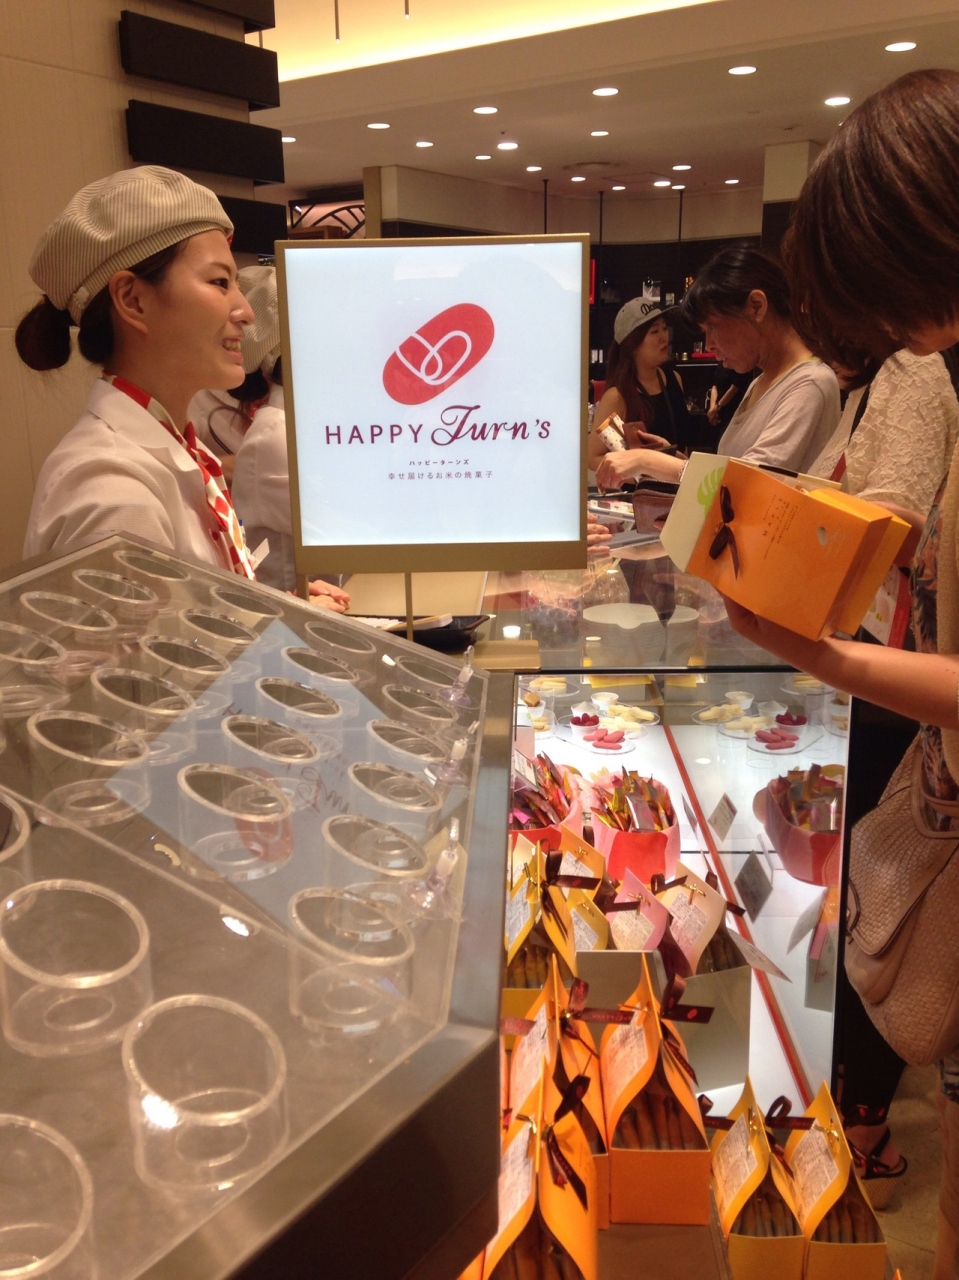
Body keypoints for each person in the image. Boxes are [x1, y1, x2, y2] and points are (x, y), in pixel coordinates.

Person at [722, 68, 959, 1279]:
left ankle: (860, 1110)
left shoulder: (919, 372)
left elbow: (887, 522)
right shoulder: (918, 363)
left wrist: (828, 653)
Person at [595, 247, 841, 491]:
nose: (709, 344)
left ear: (757, 306)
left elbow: (743, 486)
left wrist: (647, 461)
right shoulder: (762, 383)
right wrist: (669, 457)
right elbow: (731, 470)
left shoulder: (810, 383)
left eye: (712, 327)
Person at [588, 299, 693, 476]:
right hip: (641, 492)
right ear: (633, 345)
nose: (664, 337)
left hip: (680, 484)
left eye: (664, 328)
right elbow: (592, 457)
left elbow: (683, 444)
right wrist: (637, 473)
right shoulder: (617, 397)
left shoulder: (675, 379)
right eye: (655, 331)